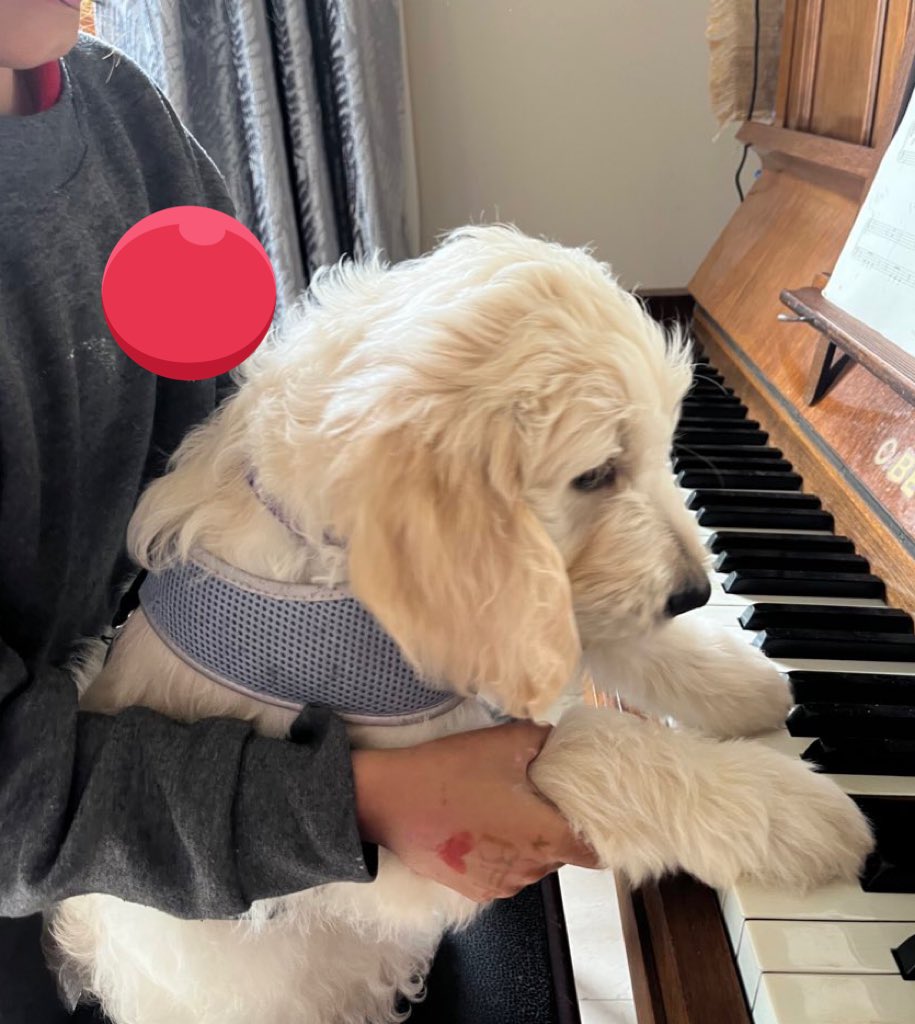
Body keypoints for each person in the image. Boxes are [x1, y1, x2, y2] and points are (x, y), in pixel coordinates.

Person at [0, 6, 596, 1022]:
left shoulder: (117, 109)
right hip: (73, 887)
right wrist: (361, 802)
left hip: (224, 739)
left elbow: (237, 467)